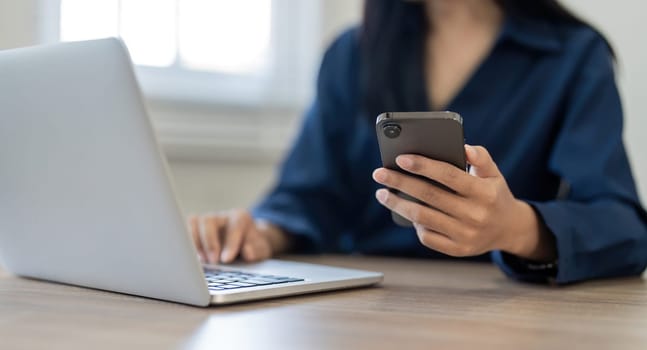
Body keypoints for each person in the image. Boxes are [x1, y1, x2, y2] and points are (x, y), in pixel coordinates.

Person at [188, 0, 647, 284]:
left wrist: (515, 227)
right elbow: (308, 195)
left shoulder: (574, 56)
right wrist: (262, 232)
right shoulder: (352, 53)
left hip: (499, 313)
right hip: (363, 304)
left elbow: (626, 230)